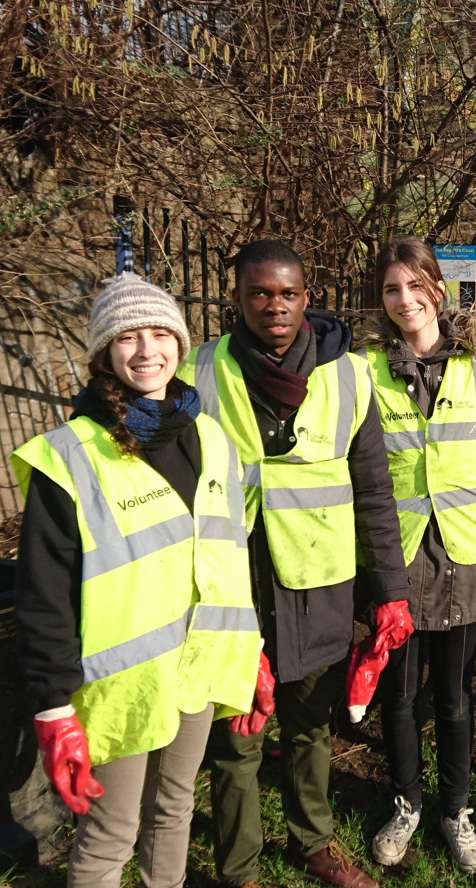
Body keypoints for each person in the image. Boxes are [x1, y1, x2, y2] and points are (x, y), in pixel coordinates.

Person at [11, 273, 262, 888]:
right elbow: (44, 593)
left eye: (161, 334)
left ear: (180, 343)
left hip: (198, 668)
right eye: (128, 337)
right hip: (120, 686)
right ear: (103, 354)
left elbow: (228, 555)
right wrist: (53, 706)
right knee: (112, 834)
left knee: (174, 809)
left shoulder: (210, 437)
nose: (148, 350)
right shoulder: (70, 455)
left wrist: (249, 650)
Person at [178, 240, 411, 888]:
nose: (274, 306)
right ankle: (239, 870)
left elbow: (374, 489)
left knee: (310, 727)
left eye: (286, 294)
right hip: (235, 583)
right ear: (236, 298)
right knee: (238, 735)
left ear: (307, 299)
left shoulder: (350, 375)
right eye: (259, 293)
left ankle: (312, 842)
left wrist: (390, 589)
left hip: (318, 582)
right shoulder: (201, 372)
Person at [354, 237, 476, 874]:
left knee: (453, 695)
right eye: (392, 289)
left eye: (416, 286)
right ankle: (407, 805)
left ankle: (455, 810)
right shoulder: (364, 369)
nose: (405, 300)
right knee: (398, 695)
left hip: (466, 553)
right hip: (399, 555)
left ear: (438, 290)